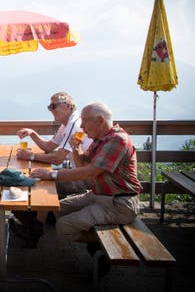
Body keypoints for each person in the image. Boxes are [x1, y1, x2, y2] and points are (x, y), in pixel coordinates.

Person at [29, 101, 142, 272]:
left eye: (85, 120)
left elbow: (89, 172)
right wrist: (76, 148)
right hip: (99, 195)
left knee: (63, 227)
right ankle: (97, 236)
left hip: (118, 204)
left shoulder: (117, 140)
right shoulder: (101, 139)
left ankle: (101, 246)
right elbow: (82, 165)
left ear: (101, 120)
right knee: (57, 208)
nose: (81, 125)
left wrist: (51, 174)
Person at [9, 92, 92, 246]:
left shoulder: (74, 123)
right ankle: (33, 217)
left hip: (85, 176)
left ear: (67, 106)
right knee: (41, 177)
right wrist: (32, 133)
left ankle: (34, 229)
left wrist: (31, 157)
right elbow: (48, 147)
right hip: (79, 170)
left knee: (44, 181)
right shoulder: (66, 124)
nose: (50, 109)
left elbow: (57, 158)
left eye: (53, 106)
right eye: (49, 106)